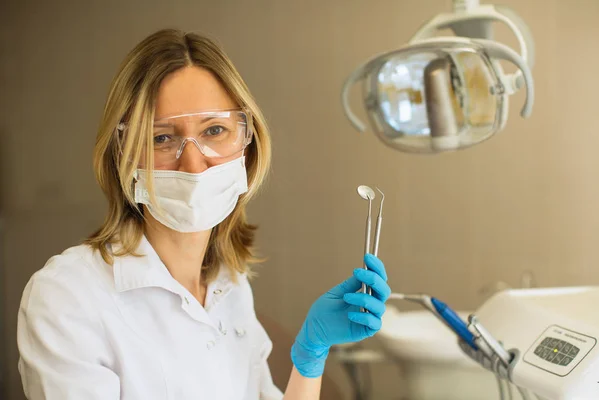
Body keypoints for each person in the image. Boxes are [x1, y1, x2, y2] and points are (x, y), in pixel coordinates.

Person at [16, 29, 391, 400]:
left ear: (248, 143)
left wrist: (312, 353)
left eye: (214, 130)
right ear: (124, 156)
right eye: (162, 138)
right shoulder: (68, 298)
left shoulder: (230, 286)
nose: (194, 165)